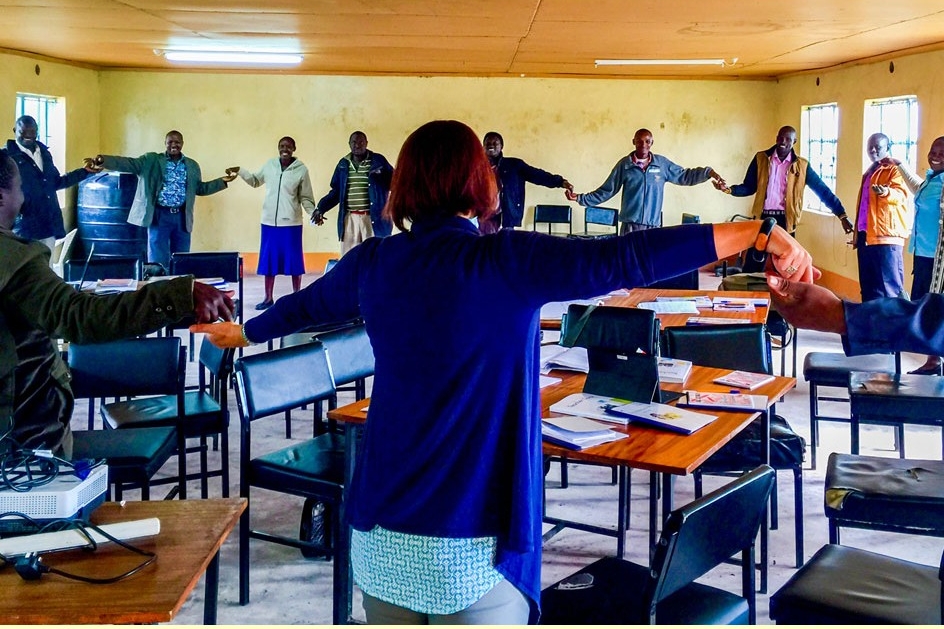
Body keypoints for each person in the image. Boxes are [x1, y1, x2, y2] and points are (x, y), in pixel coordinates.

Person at [192, 119, 813, 624]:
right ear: (480, 183)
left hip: (379, 532)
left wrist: (243, 330)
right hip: (473, 542)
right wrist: (757, 233)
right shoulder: (506, 259)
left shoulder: (373, 262)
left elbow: (302, 306)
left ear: (402, 184)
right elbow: (625, 256)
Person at [0, 149, 234, 458]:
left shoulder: (191, 165)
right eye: (19, 187)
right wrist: (178, 294)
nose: (24, 197)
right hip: (23, 439)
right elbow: (80, 317)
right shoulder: (14, 259)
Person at [83, 130, 237, 269]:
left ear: (182, 144)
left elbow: (200, 189)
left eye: (177, 142)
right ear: (165, 143)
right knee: (157, 257)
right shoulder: (151, 160)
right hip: (159, 215)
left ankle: (179, 287)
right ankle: (158, 287)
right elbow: (128, 163)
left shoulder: (192, 165)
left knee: (181, 257)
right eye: (170, 141)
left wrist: (222, 181)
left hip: (183, 216)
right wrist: (103, 160)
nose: (174, 145)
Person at [716, 125, 852, 271]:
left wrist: (842, 215)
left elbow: (823, 192)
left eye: (788, 139)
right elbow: (749, 186)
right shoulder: (761, 158)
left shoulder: (802, 166)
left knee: (785, 267)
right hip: (762, 219)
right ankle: (749, 291)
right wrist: (729, 189)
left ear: (794, 142)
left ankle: (780, 293)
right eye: (780, 137)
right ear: (776, 138)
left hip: (786, 222)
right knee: (753, 263)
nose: (783, 141)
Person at [566, 128, 725, 234]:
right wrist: (580, 198)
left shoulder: (662, 165)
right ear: (633, 142)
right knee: (628, 263)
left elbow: (685, 176)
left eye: (647, 141)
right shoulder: (625, 165)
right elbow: (607, 190)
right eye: (639, 141)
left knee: (648, 265)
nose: (643, 144)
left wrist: (709, 173)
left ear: (652, 143)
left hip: (652, 226)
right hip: (630, 226)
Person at [226, 136, 317, 310]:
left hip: (291, 224)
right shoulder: (270, 165)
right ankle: (268, 298)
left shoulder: (301, 170)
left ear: (294, 148)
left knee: (294, 262)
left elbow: (306, 197)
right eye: (282, 146)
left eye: (288, 146)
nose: (285, 149)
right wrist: (240, 171)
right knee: (269, 262)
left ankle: (297, 297)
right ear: (278, 148)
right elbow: (254, 181)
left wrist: (314, 214)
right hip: (269, 223)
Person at [766, 275, 944, 358]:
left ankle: (886, 361)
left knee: (884, 288)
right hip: (870, 237)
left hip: (885, 236)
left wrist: (842, 316)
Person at [5, 115, 91, 254]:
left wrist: (84, 172)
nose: (28, 136)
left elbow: (56, 183)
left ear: (37, 131)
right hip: (23, 228)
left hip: (48, 225)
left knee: (45, 270)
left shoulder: (44, 153)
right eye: (23, 132)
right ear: (15, 130)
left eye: (32, 133)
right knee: (27, 271)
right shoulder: (6, 157)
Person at [898, 136, 944, 374]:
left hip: (939, 259)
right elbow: (917, 189)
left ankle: (934, 361)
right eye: (932, 150)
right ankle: (933, 359)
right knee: (927, 304)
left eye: (941, 153)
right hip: (924, 253)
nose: (935, 156)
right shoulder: (932, 179)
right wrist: (900, 165)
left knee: (934, 306)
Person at [852, 133, 912, 302]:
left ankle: (891, 326)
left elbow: (901, 194)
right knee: (868, 285)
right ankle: (871, 324)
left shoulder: (895, 169)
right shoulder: (871, 171)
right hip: (866, 234)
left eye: (877, 147)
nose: (872, 150)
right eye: (869, 147)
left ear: (887, 147)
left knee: (889, 288)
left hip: (886, 238)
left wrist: (887, 192)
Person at [312, 131, 394, 255]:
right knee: (349, 258)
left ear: (366, 143)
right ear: (349, 144)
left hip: (374, 219)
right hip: (350, 219)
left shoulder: (378, 161)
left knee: (375, 257)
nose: (357, 145)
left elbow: (395, 183)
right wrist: (321, 208)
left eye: (361, 142)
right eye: (354, 142)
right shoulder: (343, 165)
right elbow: (336, 192)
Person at [480, 131, 572, 234]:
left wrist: (560, 182)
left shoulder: (514, 165)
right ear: (483, 146)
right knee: (484, 245)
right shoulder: (476, 167)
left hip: (506, 216)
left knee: (505, 245)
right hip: (483, 215)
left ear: (501, 146)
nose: (491, 145)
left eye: (495, 143)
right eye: (487, 143)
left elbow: (537, 175)